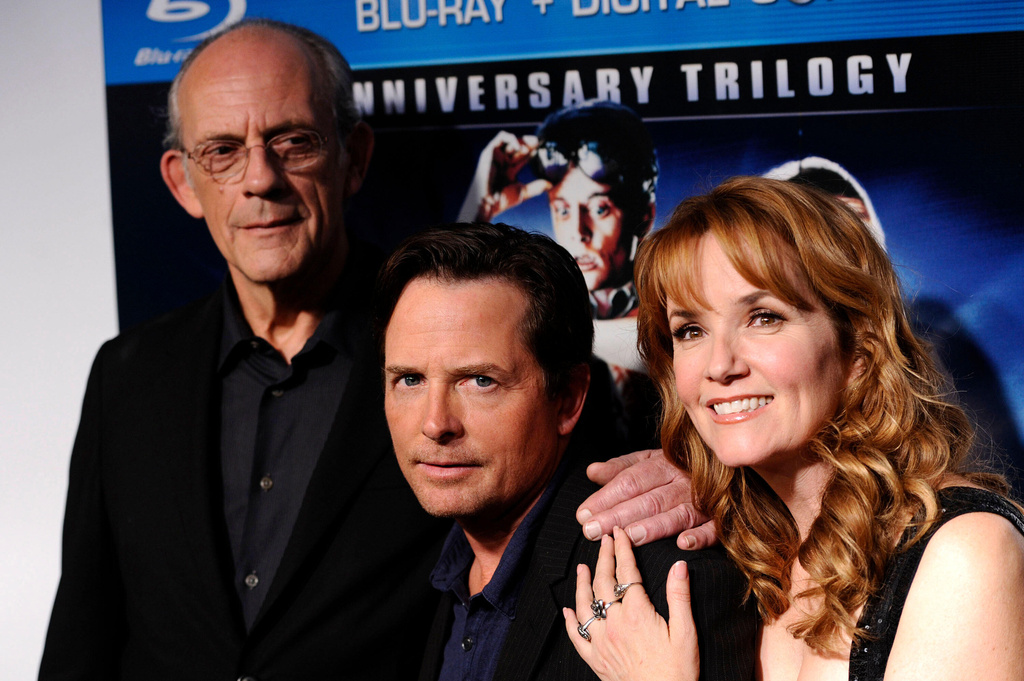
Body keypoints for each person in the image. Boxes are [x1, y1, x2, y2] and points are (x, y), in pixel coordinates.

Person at [39, 18, 706, 681]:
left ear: (354, 156)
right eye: (222, 151)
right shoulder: (128, 376)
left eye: (292, 141)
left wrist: (698, 475)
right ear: (183, 181)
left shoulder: (446, 343)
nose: (260, 179)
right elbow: (83, 634)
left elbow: (586, 498)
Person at [566, 177, 1024, 680]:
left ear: (859, 350)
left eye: (763, 317)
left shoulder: (964, 550)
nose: (720, 365)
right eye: (690, 330)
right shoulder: (735, 557)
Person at [374, 222, 756, 681]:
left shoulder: (669, 583)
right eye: (409, 380)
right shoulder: (436, 572)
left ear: (569, 398)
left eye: (480, 381)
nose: (435, 424)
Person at [460, 100, 660, 447]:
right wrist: (477, 210)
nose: (578, 232)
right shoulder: (540, 308)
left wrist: (524, 339)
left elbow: (658, 345)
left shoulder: (680, 308)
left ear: (644, 215)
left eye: (599, 208)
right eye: (563, 210)